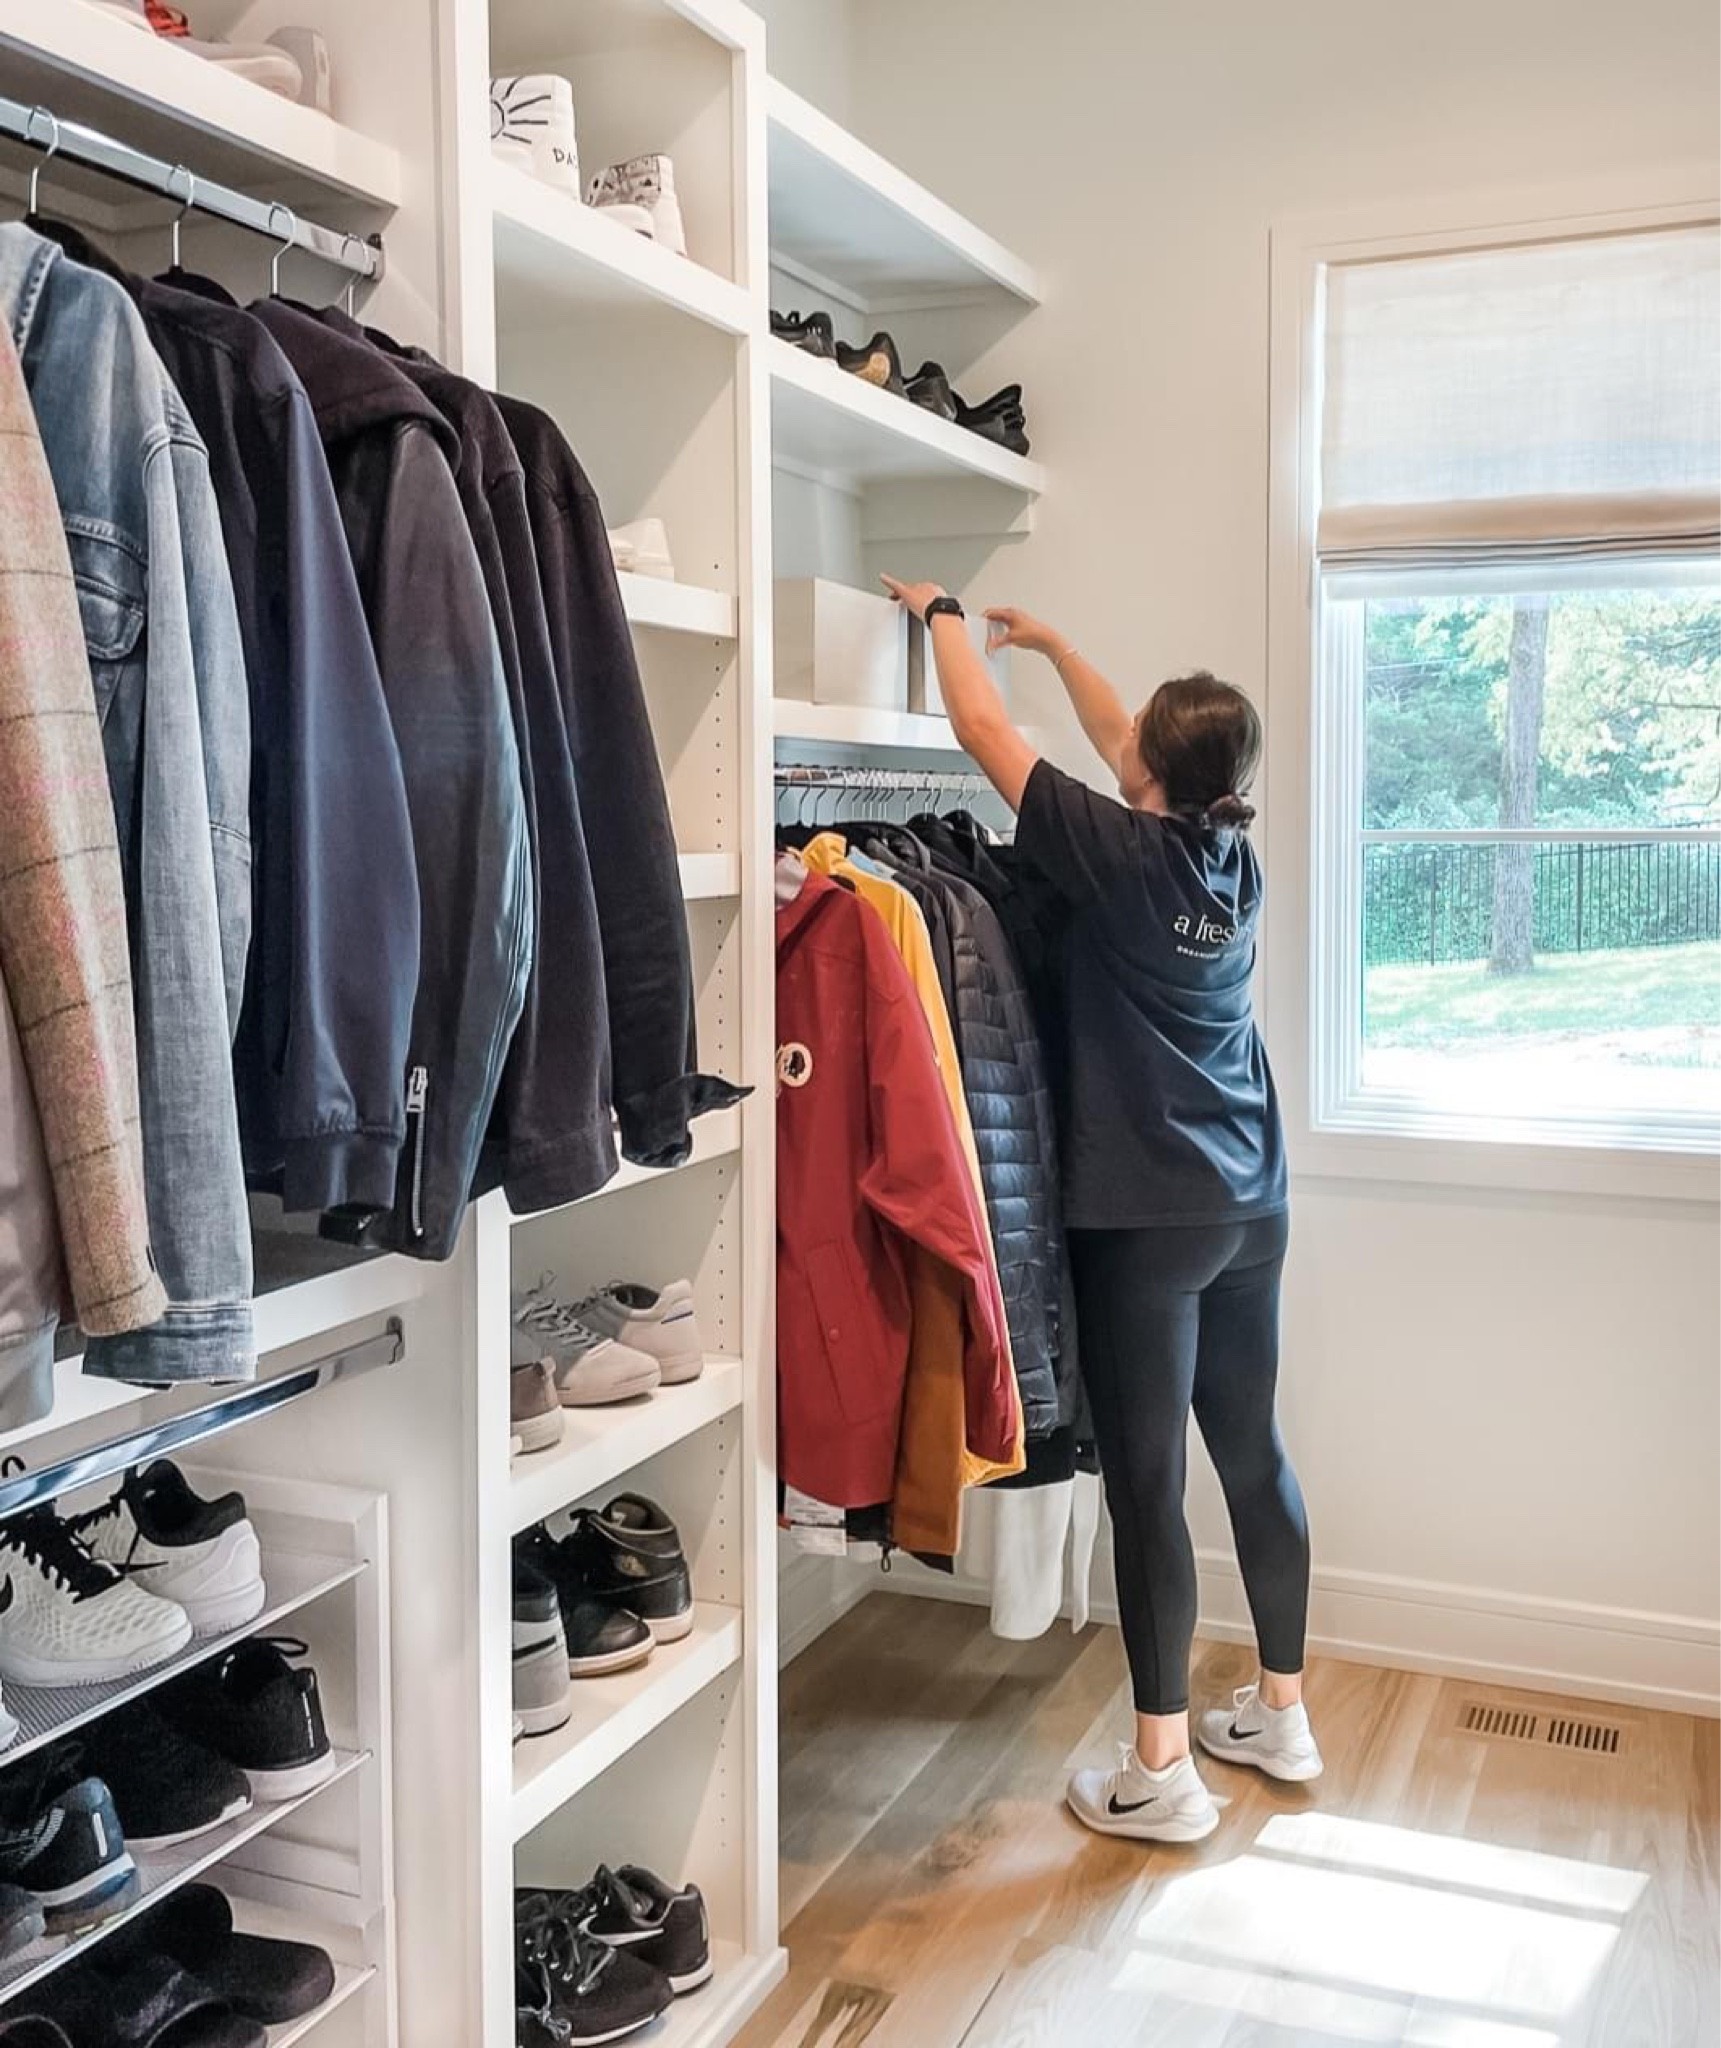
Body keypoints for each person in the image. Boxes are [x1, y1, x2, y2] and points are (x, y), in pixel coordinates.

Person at [881, 575, 1319, 1845]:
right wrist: (1060, 643)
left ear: (1150, 776)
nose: (1118, 747)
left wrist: (945, 613)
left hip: (1144, 1217)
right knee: (1253, 1452)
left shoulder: (1114, 856)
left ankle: (1159, 1770)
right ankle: (1280, 1713)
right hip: (1250, 1199)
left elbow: (981, 730)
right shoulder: (1229, 861)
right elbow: (1125, 737)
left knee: (1146, 1482)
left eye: (1134, 747)